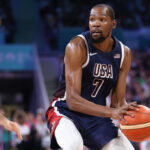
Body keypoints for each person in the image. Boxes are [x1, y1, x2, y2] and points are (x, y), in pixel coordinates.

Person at [46, 4, 139, 150]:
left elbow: (117, 102)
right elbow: (72, 101)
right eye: (92, 19)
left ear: (113, 24)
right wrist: (111, 112)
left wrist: (133, 114)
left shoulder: (124, 53)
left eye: (102, 20)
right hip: (66, 111)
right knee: (73, 145)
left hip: (97, 119)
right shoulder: (77, 46)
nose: (95, 23)